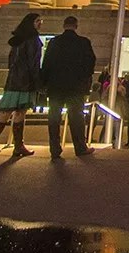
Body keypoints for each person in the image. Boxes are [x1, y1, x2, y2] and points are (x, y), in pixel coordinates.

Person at [40, 15, 97, 159]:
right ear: (76, 26)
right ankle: (80, 147)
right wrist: (84, 79)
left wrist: (44, 83)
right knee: (76, 117)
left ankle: (54, 148)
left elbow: (46, 64)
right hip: (75, 87)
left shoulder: (54, 42)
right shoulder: (83, 42)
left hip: (56, 86)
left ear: (64, 26)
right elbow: (90, 63)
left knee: (54, 117)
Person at [0, 13, 42, 157]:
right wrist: (37, 81)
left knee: (5, 113)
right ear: (31, 23)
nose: (40, 23)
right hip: (25, 81)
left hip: (13, 80)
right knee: (20, 112)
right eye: (37, 21)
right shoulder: (33, 40)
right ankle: (18, 146)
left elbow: (11, 61)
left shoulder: (18, 40)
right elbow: (33, 62)